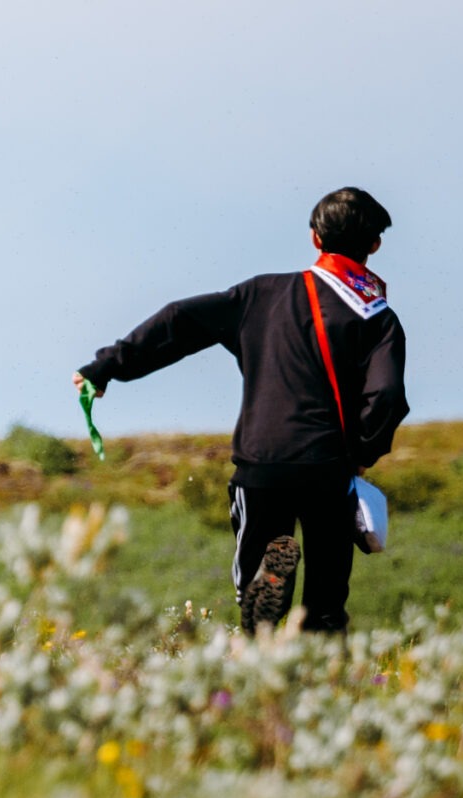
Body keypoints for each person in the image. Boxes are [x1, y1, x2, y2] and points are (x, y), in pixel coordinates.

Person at [72, 187, 408, 633]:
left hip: (262, 462)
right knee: (327, 599)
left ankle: (260, 620)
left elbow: (180, 321)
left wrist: (107, 366)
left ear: (314, 238)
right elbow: (386, 395)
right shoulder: (378, 317)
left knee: (256, 596)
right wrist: (363, 452)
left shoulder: (260, 294)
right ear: (375, 245)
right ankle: (322, 646)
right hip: (328, 468)